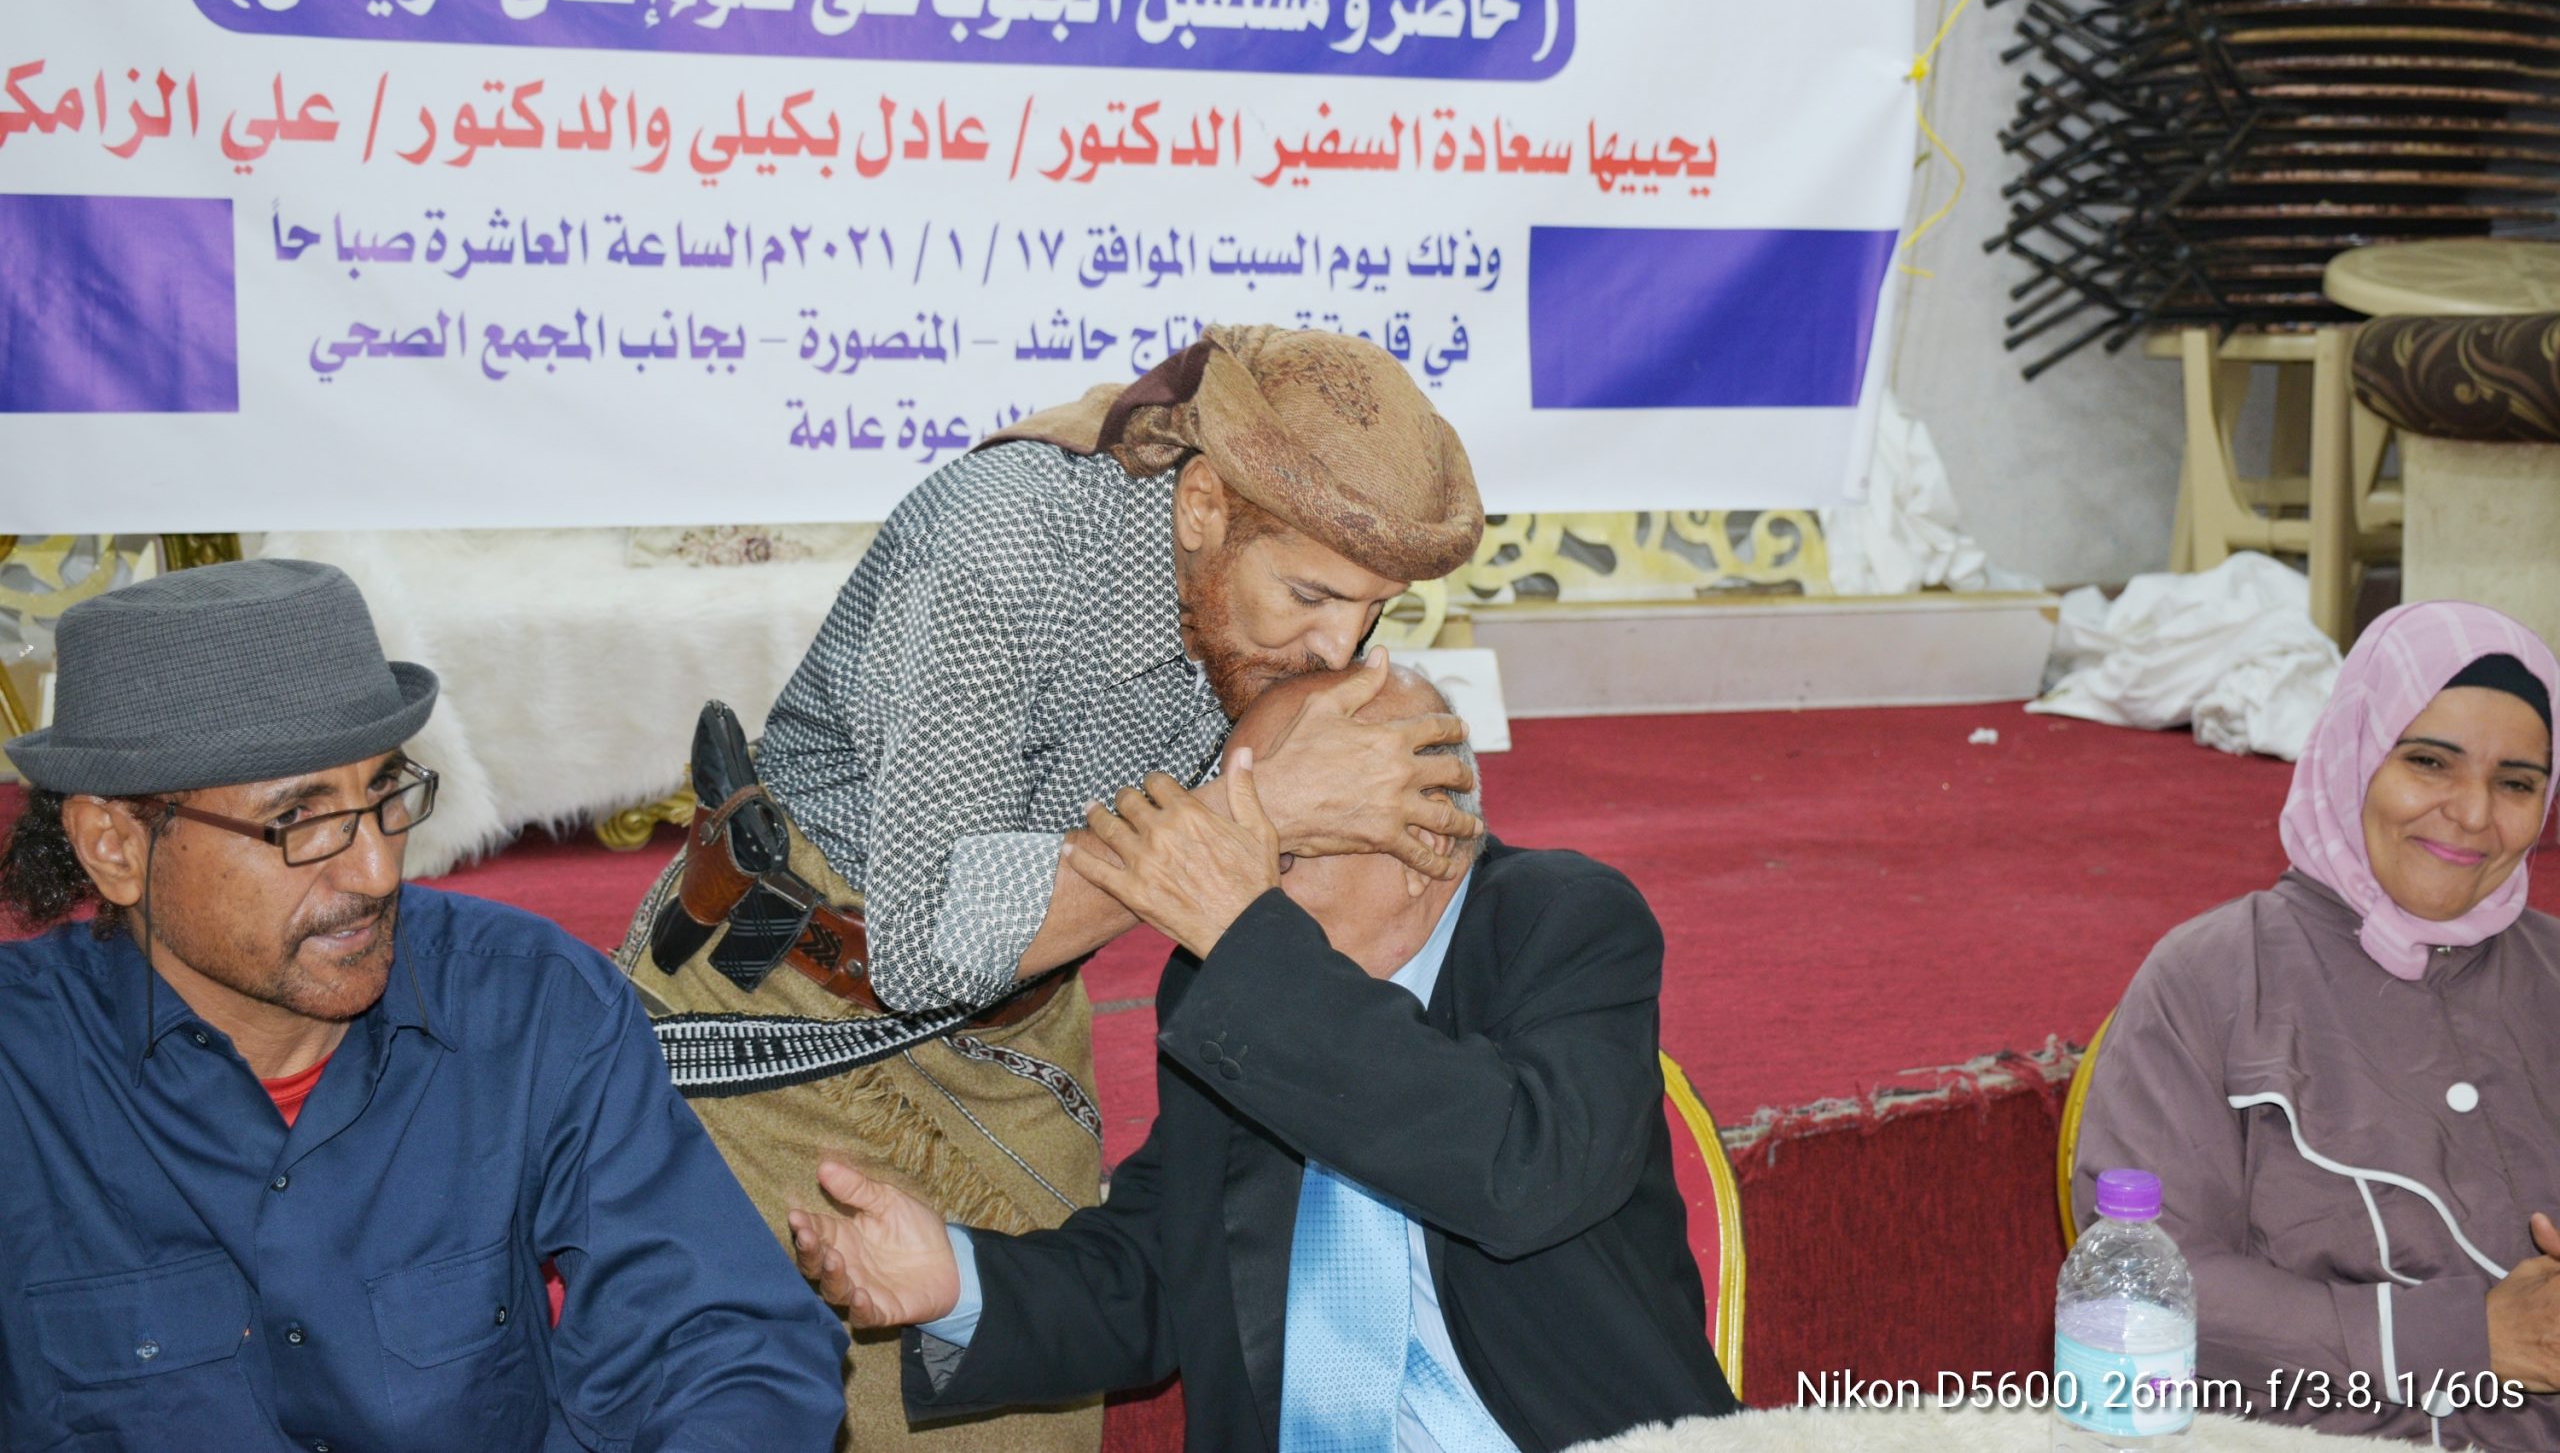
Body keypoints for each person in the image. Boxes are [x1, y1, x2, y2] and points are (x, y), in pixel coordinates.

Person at [617, 327, 1489, 1449]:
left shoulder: (1281, 622)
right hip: (786, 1002)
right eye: (1311, 594)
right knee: (782, 1411)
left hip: (1018, 1032)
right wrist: (1258, 809)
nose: (1338, 646)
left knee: (1029, 1391)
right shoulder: (1005, 542)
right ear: (1203, 506)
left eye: (1373, 609)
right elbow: (928, 939)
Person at [0, 559, 847, 1453]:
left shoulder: (528, 1005)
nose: (376, 871)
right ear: (114, 846)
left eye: (384, 795)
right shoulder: (22, 1072)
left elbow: (728, 1342)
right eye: (302, 820)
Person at [786, 663, 1742, 1452]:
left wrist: (1248, 939)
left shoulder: (1560, 920)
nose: (1231, 887)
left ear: (1424, 842)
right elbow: (1163, 1264)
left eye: (1275, 849)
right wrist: (957, 1278)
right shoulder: (1226, 983)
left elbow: (1524, 1172)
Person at [2074, 600, 2560, 1446]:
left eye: (2516, 781)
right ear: (2353, 754)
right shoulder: (2214, 980)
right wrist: (2464, 1335)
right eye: (2429, 761)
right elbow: (2142, 1292)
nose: (2475, 812)